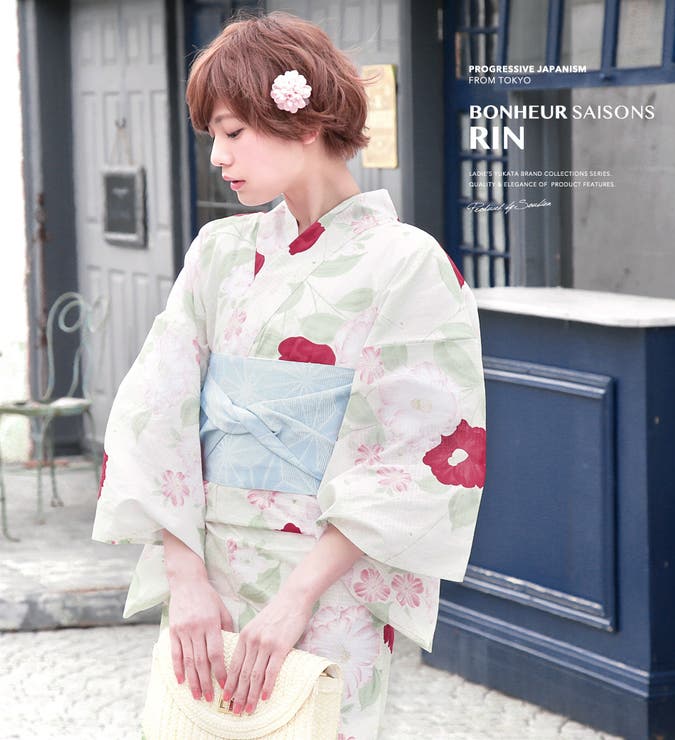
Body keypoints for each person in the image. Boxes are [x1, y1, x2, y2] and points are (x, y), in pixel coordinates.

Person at [92, 11, 486, 739]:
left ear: (303, 121)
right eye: (213, 136)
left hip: (328, 584)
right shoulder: (218, 251)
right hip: (209, 574)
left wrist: (295, 599)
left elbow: (415, 452)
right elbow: (157, 408)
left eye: (233, 132)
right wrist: (186, 580)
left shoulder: (406, 262)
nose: (218, 157)